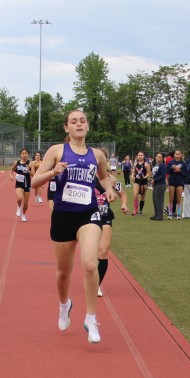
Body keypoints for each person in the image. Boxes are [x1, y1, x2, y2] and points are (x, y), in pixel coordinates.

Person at [30, 109, 114, 343]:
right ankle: (64, 305)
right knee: (63, 273)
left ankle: (91, 318)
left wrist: (108, 189)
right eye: (74, 121)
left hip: (88, 214)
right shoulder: (57, 151)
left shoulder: (97, 155)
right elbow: (34, 181)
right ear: (66, 128)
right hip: (63, 216)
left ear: (87, 126)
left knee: (90, 264)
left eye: (83, 121)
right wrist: (53, 172)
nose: (79, 124)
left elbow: (104, 176)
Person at [94, 162, 129, 297]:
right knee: (91, 252)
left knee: (103, 251)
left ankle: (96, 284)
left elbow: (123, 194)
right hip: (88, 216)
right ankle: (91, 275)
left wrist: (124, 205)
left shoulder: (112, 179)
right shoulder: (88, 177)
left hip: (105, 216)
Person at [9, 148, 32, 222]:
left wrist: (28, 171)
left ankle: (24, 214)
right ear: (20, 154)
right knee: (19, 198)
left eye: (26, 153)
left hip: (27, 184)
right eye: (23, 153)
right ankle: (19, 207)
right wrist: (10, 175)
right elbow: (12, 169)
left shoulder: (30, 163)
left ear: (28, 154)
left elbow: (33, 174)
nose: (24, 155)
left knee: (25, 203)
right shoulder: (17, 162)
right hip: (19, 183)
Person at [166, 149, 186, 218]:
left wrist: (179, 170)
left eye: (179, 154)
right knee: (171, 198)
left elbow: (185, 174)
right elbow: (167, 171)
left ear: (181, 155)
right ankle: (170, 214)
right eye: (176, 154)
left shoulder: (183, 163)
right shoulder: (171, 162)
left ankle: (178, 214)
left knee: (179, 199)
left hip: (179, 183)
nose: (177, 155)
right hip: (172, 182)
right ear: (174, 155)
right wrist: (171, 168)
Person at [150, 152, 168, 220]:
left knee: (159, 201)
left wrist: (155, 180)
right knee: (155, 200)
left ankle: (160, 216)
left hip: (160, 184)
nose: (157, 158)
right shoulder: (156, 165)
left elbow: (163, 175)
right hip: (156, 184)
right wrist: (152, 180)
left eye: (160, 157)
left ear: (162, 159)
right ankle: (156, 214)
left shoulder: (163, 165)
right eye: (157, 156)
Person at [131, 151, 148, 216]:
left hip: (144, 182)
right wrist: (132, 176)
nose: (140, 156)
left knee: (142, 197)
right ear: (137, 156)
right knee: (135, 195)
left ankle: (140, 210)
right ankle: (135, 210)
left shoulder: (146, 164)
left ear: (143, 156)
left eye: (141, 155)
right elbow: (133, 172)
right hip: (136, 181)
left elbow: (149, 173)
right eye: (139, 155)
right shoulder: (135, 164)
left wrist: (144, 177)